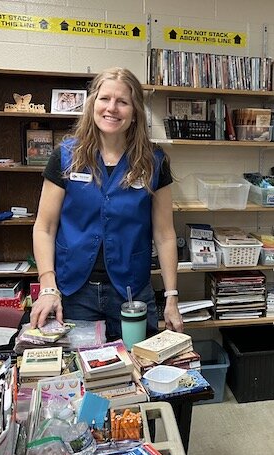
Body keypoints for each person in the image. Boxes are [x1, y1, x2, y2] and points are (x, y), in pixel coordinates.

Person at [31, 67, 183, 339]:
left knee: (138, 368)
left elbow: (164, 234)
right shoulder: (65, 156)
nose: (112, 108)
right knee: (78, 372)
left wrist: (171, 297)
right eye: (104, 99)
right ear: (92, 104)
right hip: (74, 291)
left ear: (135, 110)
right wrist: (47, 285)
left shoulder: (154, 161)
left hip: (131, 291)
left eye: (122, 102)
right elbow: (45, 227)